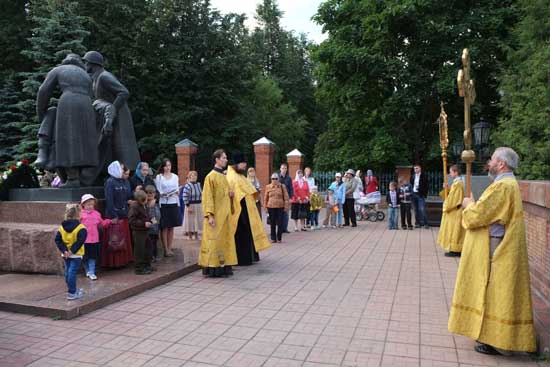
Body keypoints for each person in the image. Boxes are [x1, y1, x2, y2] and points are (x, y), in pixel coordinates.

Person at [448, 147, 536, 355]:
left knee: (489, 289)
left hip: (494, 245)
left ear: (501, 164)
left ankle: (494, 340)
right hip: (498, 242)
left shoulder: (502, 187)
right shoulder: (507, 184)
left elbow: (476, 217)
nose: (489, 162)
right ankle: (491, 336)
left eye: (493, 160)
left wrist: (469, 204)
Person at [34, 54, 98, 186]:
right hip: (86, 104)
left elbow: (43, 91)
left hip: (68, 102)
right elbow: (92, 94)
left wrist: (41, 113)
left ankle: (72, 178)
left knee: (67, 139)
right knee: (84, 140)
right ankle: (81, 177)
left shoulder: (59, 69)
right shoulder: (86, 75)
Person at [83, 51, 140, 176]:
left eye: (86, 62)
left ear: (93, 63)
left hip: (118, 115)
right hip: (109, 115)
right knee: (110, 147)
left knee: (120, 148)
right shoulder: (96, 77)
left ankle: (126, 173)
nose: (85, 64)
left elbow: (124, 92)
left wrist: (113, 109)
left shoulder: (104, 76)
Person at [227, 153, 271, 265]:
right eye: (243, 164)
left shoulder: (241, 176)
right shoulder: (231, 176)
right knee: (241, 233)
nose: (245, 166)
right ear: (237, 164)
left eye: (245, 164)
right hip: (238, 211)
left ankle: (250, 257)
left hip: (247, 209)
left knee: (248, 232)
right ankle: (242, 259)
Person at [199, 149, 238, 277]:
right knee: (214, 242)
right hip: (215, 216)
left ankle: (225, 266)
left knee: (225, 241)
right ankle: (213, 268)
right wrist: (210, 215)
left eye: (226, 158)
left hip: (225, 216)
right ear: (217, 160)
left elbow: (226, 194)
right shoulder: (210, 177)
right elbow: (207, 197)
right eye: (224, 158)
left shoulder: (224, 176)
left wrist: (231, 195)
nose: (226, 160)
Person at [102, 161, 134, 268]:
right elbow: (109, 200)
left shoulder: (124, 181)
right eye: (120, 168)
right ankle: (114, 263)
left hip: (124, 214)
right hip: (114, 216)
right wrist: (114, 215)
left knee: (123, 239)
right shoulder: (110, 182)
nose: (121, 170)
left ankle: (124, 261)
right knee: (115, 239)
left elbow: (127, 196)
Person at [55, 204, 87, 300]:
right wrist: (71, 251)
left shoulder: (62, 227)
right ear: (78, 215)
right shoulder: (81, 228)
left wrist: (65, 250)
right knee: (72, 272)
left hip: (65, 254)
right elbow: (80, 241)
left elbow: (58, 240)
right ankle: (72, 293)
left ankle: (71, 290)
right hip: (76, 254)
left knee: (68, 272)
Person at [80, 194, 111, 280]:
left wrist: (108, 221)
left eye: (92, 204)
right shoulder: (80, 215)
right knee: (84, 257)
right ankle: (87, 270)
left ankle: (92, 272)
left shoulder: (96, 214)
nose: (90, 206)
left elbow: (101, 223)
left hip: (94, 240)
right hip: (84, 240)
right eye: (88, 204)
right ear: (83, 205)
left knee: (92, 257)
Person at [155, 159, 181, 257]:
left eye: (169, 165)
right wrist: (163, 194)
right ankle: (165, 249)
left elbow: (177, 189)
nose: (167, 168)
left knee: (172, 226)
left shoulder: (175, 176)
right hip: (164, 203)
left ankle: (170, 248)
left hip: (173, 202)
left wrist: (176, 192)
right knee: (164, 226)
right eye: (165, 166)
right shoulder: (159, 177)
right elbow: (158, 190)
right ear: (162, 167)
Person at [437, 165, 465, 257]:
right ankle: (454, 248)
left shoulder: (458, 184)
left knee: (455, 230)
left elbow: (454, 199)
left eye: (451, 172)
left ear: (456, 172)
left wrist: (446, 206)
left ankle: (455, 249)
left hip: (455, 211)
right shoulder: (457, 183)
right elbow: (451, 195)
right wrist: (446, 188)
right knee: (453, 230)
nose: (449, 174)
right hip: (454, 211)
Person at [129, 190, 153, 275]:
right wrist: (143, 223)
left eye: (146, 200)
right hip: (138, 231)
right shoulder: (134, 207)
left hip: (145, 231)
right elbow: (132, 220)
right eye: (144, 200)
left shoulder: (144, 205)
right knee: (139, 250)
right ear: (139, 200)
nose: (146, 202)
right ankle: (139, 268)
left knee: (148, 247)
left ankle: (147, 265)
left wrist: (152, 221)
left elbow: (148, 215)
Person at [263, 173, 290, 243]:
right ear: (271, 179)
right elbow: (265, 198)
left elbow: (286, 197)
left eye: (276, 178)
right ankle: (273, 238)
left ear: (278, 179)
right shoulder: (268, 187)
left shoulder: (282, 186)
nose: (274, 180)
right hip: (271, 207)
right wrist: (265, 207)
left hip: (280, 207)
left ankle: (279, 237)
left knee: (280, 222)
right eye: (273, 179)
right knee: (272, 223)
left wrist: (286, 207)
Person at [181, 171, 203, 240]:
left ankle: (196, 235)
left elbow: (201, 194)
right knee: (190, 220)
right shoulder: (187, 185)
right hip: (190, 205)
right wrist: (188, 206)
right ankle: (190, 236)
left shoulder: (199, 184)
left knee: (196, 220)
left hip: (198, 205)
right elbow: (184, 196)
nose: (194, 177)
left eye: (195, 176)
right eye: (192, 176)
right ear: (189, 177)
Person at [145, 185, 161, 261]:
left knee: (154, 243)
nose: (149, 195)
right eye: (147, 193)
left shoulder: (155, 204)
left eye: (151, 193)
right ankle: (150, 256)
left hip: (154, 228)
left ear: (154, 194)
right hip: (147, 228)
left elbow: (157, 217)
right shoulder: (145, 204)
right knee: (149, 244)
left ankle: (154, 256)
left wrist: (152, 223)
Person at [410, 163, 429, 228]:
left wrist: (424, 193)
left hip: (420, 195)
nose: (415, 169)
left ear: (420, 168)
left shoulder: (424, 176)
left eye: (417, 168)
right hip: (413, 194)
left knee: (422, 209)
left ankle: (426, 223)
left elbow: (427, 186)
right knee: (415, 209)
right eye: (414, 168)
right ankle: (417, 223)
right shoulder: (412, 176)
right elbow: (411, 185)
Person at [279, 163, 294, 233]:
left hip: (287, 199)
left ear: (286, 169)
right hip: (279, 198)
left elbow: (291, 188)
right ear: (280, 169)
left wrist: (291, 198)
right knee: (279, 214)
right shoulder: (277, 177)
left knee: (286, 214)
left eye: (285, 168)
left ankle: (285, 228)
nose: (284, 170)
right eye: (282, 168)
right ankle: (280, 228)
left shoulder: (289, 178)